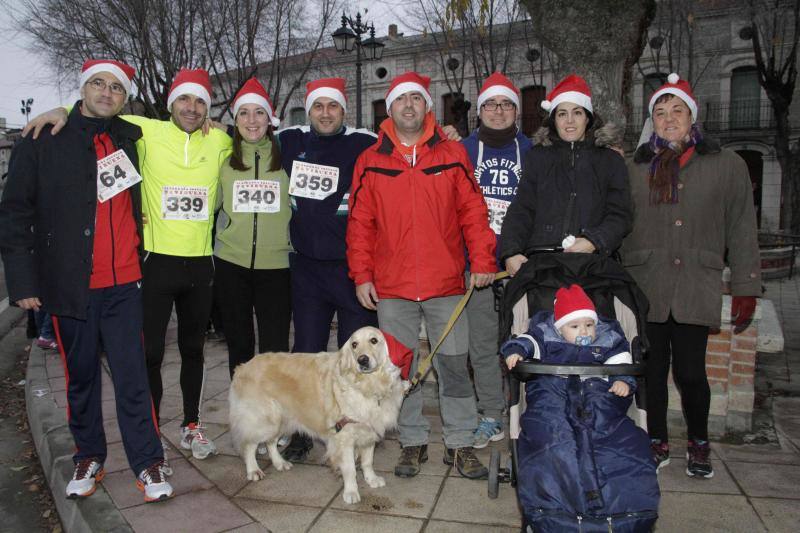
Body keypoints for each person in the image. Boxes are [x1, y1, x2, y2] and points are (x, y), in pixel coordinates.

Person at [22, 68, 233, 461]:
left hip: (201, 266)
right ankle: (151, 439)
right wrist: (60, 111)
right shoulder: (144, 130)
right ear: (171, 104)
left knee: (194, 350)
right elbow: (98, 109)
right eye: (184, 100)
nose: (192, 107)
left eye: (200, 101)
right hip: (154, 263)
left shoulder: (220, 140)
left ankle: (192, 425)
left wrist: (223, 124)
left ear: (208, 108)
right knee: (149, 355)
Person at [0, 59, 173, 502]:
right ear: (83, 89)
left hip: (126, 283)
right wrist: (22, 283)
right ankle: (89, 455)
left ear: (125, 98)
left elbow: (178, 131)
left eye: (116, 88)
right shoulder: (44, 139)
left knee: (134, 376)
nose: (107, 92)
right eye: (98, 83)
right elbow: (15, 212)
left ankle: (148, 463)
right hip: (70, 284)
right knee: (80, 378)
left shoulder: (130, 138)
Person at [347, 72, 497, 479]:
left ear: (427, 106)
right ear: (389, 108)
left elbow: (472, 210)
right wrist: (361, 274)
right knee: (398, 370)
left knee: (453, 366)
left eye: (416, 98)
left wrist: (482, 260)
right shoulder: (371, 159)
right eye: (401, 100)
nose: (409, 105)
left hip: (445, 284)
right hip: (392, 287)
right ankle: (412, 443)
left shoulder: (451, 153)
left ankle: (460, 442)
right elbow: (360, 223)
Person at [621, 74, 761, 479]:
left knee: (690, 373)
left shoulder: (726, 165)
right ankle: (656, 439)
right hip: (647, 284)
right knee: (651, 371)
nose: (668, 120)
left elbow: (741, 227)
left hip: (696, 283)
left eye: (676, 111)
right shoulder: (637, 166)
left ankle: (699, 442)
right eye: (660, 113)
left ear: (691, 116)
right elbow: (620, 222)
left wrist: (746, 286)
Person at [276, 78, 378, 461]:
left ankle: (357, 428)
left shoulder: (364, 142)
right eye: (318, 106)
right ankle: (302, 430)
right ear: (309, 109)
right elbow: (246, 135)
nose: (325, 113)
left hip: (352, 270)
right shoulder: (290, 141)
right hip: (306, 270)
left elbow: (408, 138)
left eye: (332, 106)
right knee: (306, 355)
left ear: (344, 110)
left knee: (358, 357)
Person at [500, 284, 658, 531]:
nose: (584, 331)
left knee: (622, 445)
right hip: (554, 396)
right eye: (574, 326)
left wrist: (622, 380)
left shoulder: (609, 340)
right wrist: (516, 351)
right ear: (560, 327)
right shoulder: (546, 336)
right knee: (555, 443)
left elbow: (623, 363)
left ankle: (627, 515)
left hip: (599, 399)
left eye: (589, 324)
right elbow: (525, 341)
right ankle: (554, 515)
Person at [461, 72, 533, 448]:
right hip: (477, 266)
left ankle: (531, 414)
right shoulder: (462, 150)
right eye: (491, 104)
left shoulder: (534, 151)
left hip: (521, 263)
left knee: (527, 342)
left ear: (516, 111)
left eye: (506, 104)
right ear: (479, 111)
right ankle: (491, 414)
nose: (498, 111)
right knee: (484, 346)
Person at [500, 74, 632, 275]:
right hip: (543, 265)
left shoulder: (610, 161)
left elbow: (620, 213)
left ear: (588, 118)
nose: (569, 121)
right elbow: (521, 210)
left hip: (594, 266)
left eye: (577, 113)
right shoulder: (537, 158)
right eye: (562, 114)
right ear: (554, 120)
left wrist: (594, 240)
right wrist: (511, 252)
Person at [214, 78, 291, 378]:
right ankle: (246, 415)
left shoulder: (288, 152)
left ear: (270, 118)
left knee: (276, 350)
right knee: (239, 347)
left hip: (277, 266)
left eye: (258, 112)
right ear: (235, 120)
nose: (251, 120)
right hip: (231, 264)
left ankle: (278, 414)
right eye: (243, 113)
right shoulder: (222, 156)